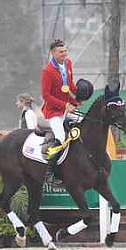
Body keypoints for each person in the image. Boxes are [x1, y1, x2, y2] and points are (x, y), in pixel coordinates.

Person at [41, 39, 80, 185]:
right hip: (54, 111)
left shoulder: (68, 63)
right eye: (61, 51)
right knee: (61, 136)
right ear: (53, 53)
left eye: (65, 51)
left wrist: (80, 93)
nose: (64, 54)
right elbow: (46, 96)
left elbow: (70, 85)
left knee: (83, 126)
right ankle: (49, 174)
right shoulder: (47, 71)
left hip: (67, 106)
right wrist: (65, 106)